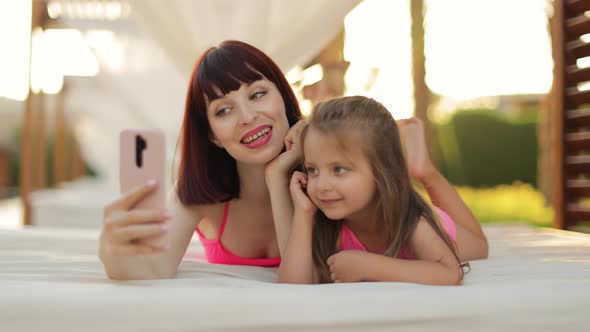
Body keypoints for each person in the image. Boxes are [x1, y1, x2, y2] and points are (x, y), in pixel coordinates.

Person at [99, 40, 306, 279]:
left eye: (258, 94)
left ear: (283, 95)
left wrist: (279, 176)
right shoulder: (199, 194)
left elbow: (302, 280)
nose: (248, 117)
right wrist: (111, 254)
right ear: (212, 135)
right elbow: (153, 268)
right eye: (223, 110)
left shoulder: (325, 173)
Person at [278, 96, 488, 285]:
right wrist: (304, 213)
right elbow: (294, 285)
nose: (321, 185)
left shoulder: (413, 221)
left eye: (339, 169)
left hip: (437, 226)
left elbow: (450, 273)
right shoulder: (328, 224)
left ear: (382, 172)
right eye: (313, 170)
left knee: (479, 247)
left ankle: (424, 170)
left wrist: (369, 266)